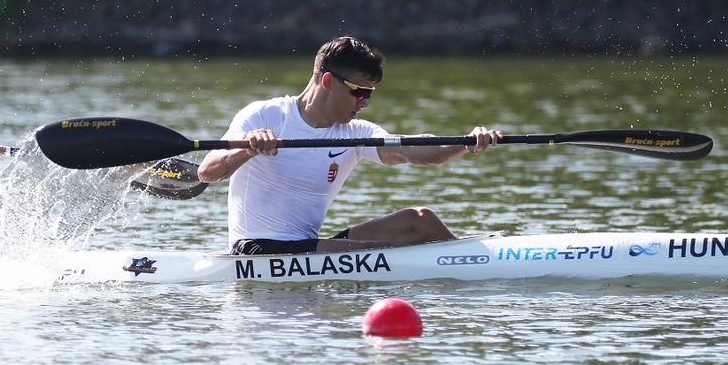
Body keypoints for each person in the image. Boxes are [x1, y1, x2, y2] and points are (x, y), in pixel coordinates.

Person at [197, 35, 502, 255]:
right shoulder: (265, 115)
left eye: (370, 94)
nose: (365, 103)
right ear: (329, 82)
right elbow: (207, 172)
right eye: (359, 92)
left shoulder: (353, 133)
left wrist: (467, 142)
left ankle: (474, 260)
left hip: (309, 247)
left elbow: (415, 151)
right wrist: (248, 148)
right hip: (256, 248)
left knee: (420, 221)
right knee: (365, 250)